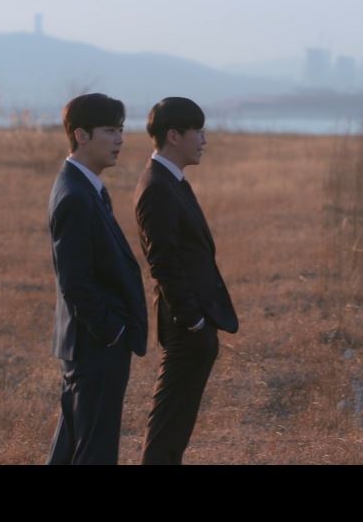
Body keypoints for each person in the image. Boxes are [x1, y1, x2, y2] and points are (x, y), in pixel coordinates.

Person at [133, 96, 238, 465]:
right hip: (185, 323)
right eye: (198, 132)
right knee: (169, 423)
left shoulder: (173, 182)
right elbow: (162, 262)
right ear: (174, 136)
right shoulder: (157, 186)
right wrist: (192, 319)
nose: (204, 140)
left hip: (196, 320)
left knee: (177, 424)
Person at [46, 93, 147, 465]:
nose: (119, 139)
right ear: (81, 135)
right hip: (94, 344)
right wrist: (112, 331)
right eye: (109, 130)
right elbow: (75, 282)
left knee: (74, 443)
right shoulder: (76, 195)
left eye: (121, 130)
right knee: (95, 450)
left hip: (91, 342)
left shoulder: (85, 187)